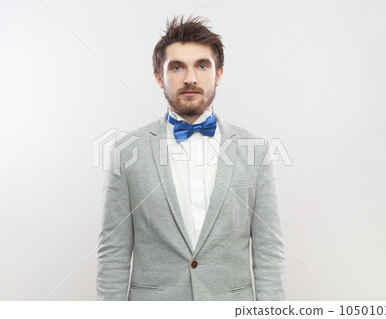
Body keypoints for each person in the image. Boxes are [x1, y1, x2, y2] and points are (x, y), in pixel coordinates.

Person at [96, 15, 286, 301]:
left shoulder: (256, 151)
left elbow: (269, 252)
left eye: (202, 65)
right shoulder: (126, 152)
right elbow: (113, 255)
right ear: (159, 76)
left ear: (219, 74)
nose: (190, 78)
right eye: (177, 67)